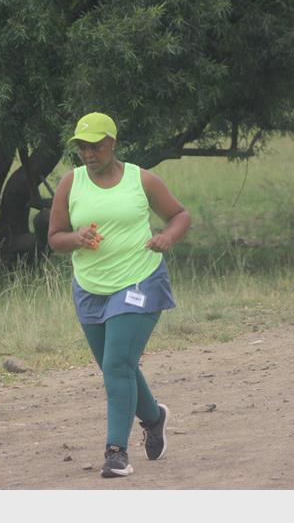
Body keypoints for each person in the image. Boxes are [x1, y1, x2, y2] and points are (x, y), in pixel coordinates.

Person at [47, 112, 191, 478]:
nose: (88, 153)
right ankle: (155, 418)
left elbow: (179, 215)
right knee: (118, 366)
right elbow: (55, 238)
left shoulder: (141, 180)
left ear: (112, 143)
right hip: (90, 288)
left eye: (95, 145)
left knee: (116, 366)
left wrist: (167, 238)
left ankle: (116, 452)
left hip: (139, 280)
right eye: (81, 147)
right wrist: (76, 239)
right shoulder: (70, 183)